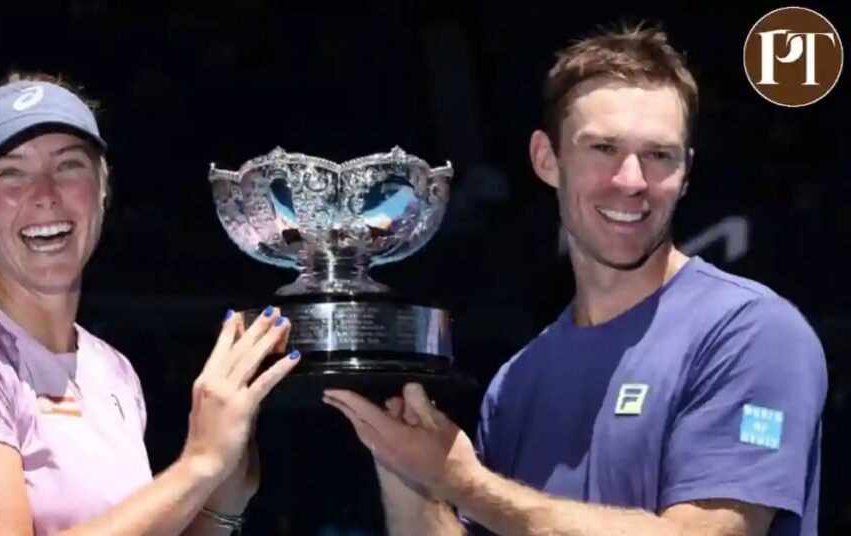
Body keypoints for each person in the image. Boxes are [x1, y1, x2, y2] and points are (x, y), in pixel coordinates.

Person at [323, 23, 827, 536]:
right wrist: (399, 459)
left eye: (659, 155)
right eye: (602, 148)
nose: (631, 181)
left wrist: (464, 481)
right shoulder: (518, 380)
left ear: (686, 172)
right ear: (547, 159)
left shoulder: (754, 333)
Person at [0, 71, 302, 535]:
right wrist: (197, 466)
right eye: (10, 172)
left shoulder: (111, 370)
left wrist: (222, 498)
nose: (43, 195)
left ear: (102, 188)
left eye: (68, 165)